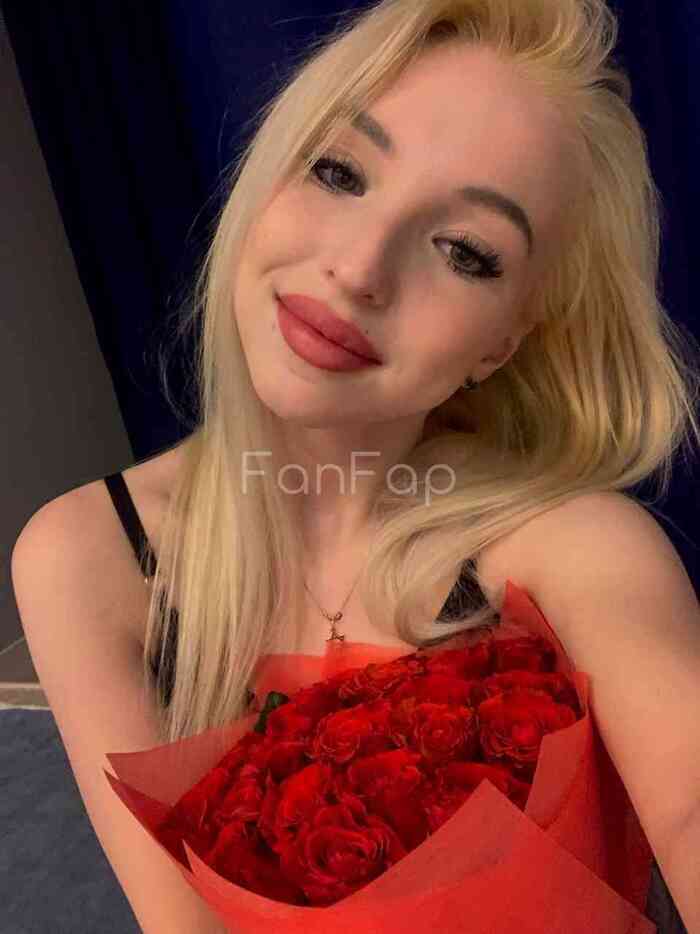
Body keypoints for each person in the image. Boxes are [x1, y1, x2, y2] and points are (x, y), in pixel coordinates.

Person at [12, 1, 700, 931]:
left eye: (465, 252)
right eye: (338, 172)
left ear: (502, 345)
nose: (359, 268)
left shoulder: (573, 545)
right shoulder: (86, 556)